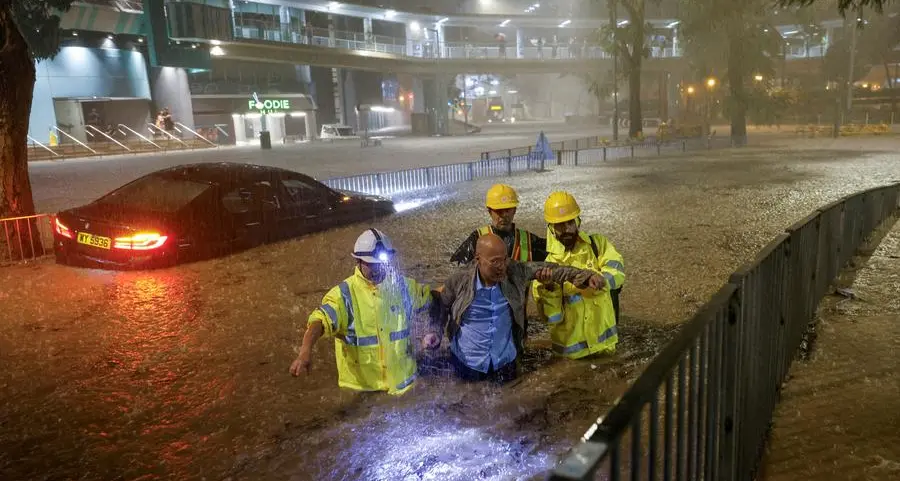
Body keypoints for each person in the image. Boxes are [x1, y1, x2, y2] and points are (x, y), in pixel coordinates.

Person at [425, 233, 605, 383]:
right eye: (495, 262)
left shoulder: (515, 271)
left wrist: (585, 276)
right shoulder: (459, 280)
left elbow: (555, 269)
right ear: (478, 259)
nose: (502, 266)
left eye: (504, 259)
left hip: (505, 364)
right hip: (467, 364)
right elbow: (441, 306)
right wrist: (434, 332)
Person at [289, 228, 437, 395]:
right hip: (364, 393)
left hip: (404, 387)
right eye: (372, 263)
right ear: (358, 261)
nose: (378, 268)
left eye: (382, 262)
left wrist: (431, 330)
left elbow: (432, 299)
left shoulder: (403, 287)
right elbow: (319, 322)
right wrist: (305, 352)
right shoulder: (343, 296)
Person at [532, 191, 625, 359]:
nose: (566, 229)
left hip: (606, 347)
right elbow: (552, 318)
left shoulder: (598, 245)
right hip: (572, 358)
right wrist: (548, 288)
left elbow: (618, 271)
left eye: (570, 222)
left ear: (578, 221)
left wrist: (602, 279)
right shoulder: (547, 267)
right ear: (551, 229)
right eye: (559, 225)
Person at [450, 183, 547, 265]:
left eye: (507, 210)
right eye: (499, 211)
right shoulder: (477, 238)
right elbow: (458, 269)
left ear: (514, 210)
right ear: (490, 212)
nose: (504, 215)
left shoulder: (529, 240)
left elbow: (554, 253)